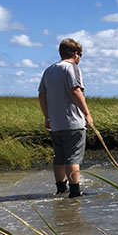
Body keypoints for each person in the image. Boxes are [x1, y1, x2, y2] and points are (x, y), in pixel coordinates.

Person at [38, 38, 93, 197]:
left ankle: (61, 188)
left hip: (56, 123)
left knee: (59, 157)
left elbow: (42, 95)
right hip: (73, 123)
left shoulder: (49, 70)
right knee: (73, 158)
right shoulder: (72, 68)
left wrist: (47, 116)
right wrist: (87, 114)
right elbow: (75, 91)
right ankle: (75, 191)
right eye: (80, 55)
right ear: (76, 54)